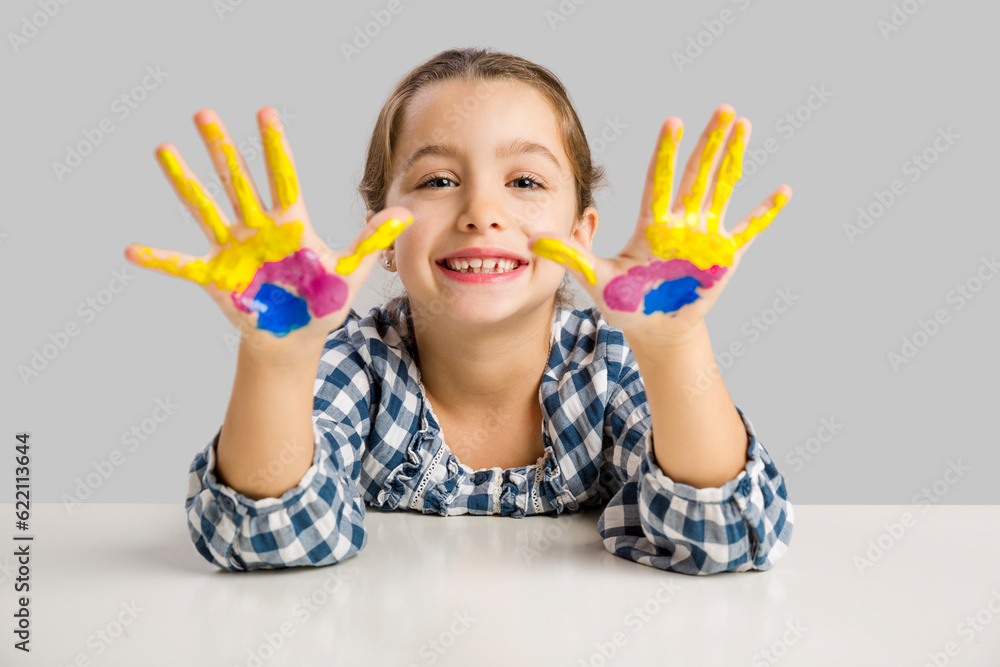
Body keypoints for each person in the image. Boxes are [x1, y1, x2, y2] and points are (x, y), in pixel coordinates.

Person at [125, 47, 794, 575]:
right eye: (438, 181)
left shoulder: (614, 365)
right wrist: (279, 356)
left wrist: (675, 345)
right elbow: (264, 543)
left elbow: (728, 539)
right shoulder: (354, 363)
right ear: (380, 235)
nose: (481, 212)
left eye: (525, 181)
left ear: (583, 234)